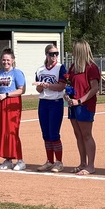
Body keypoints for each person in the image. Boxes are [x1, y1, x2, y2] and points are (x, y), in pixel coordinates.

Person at [67, 39, 100, 176]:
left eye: (74, 49)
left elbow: (94, 89)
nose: (72, 51)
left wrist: (79, 101)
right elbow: (70, 85)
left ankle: (91, 165)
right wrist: (68, 97)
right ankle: (82, 163)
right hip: (73, 104)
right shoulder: (73, 67)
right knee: (78, 135)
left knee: (86, 135)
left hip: (85, 105)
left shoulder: (91, 67)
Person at [34, 44, 67, 172]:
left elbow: (62, 86)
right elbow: (38, 88)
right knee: (46, 133)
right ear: (46, 55)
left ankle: (59, 162)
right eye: (52, 54)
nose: (54, 56)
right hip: (43, 102)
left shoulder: (60, 68)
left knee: (54, 133)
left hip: (55, 102)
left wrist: (47, 85)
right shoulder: (40, 69)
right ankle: (49, 161)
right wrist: (41, 86)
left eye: (56, 54)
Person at [0, 49, 26, 170]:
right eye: (4, 60)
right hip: (0, 104)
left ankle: (20, 160)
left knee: (12, 131)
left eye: (8, 60)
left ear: (12, 60)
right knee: (3, 131)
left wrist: (7, 95)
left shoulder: (17, 73)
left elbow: (21, 90)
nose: (6, 62)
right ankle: (8, 159)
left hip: (12, 103)